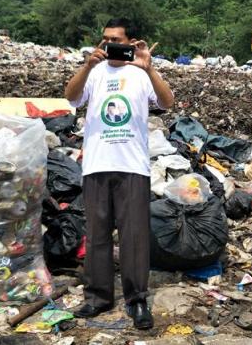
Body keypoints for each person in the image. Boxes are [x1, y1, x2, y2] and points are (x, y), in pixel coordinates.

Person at [64, 18, 174, 330]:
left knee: (134, 236)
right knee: (97, 234)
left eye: (116, 39)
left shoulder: (140, 74)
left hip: (132, 166)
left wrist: (149, 67)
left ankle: (137, 299)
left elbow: (167, 103)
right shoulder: (95, 72)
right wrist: (86, 66)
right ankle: (98, 296)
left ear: (130, 43)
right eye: (105, 39)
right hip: (97, 164)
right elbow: (71, 98)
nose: (109, 45)